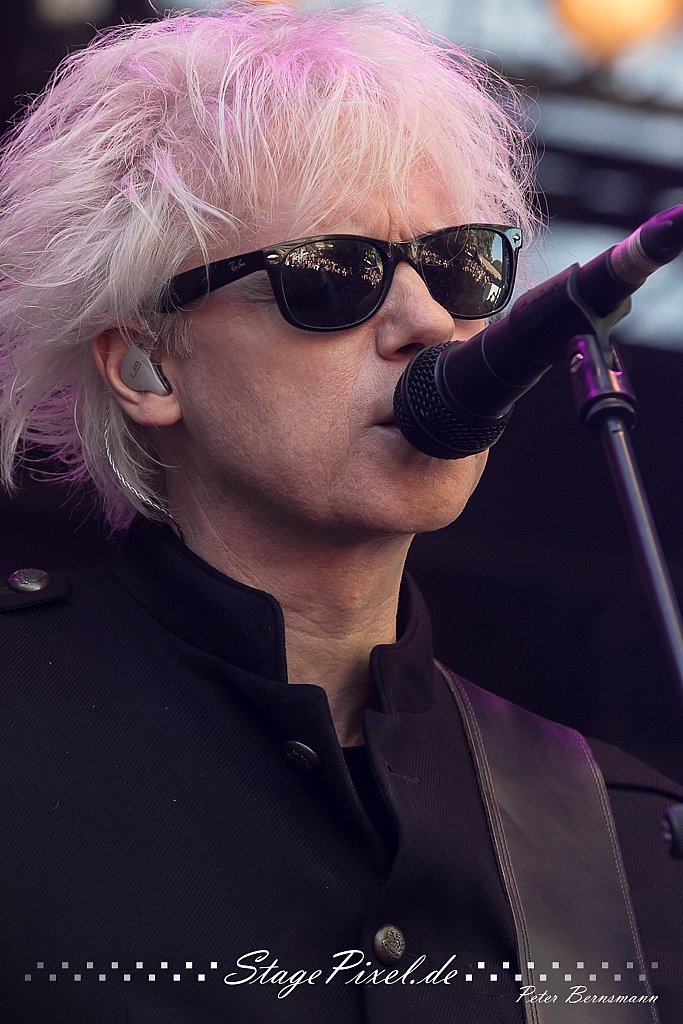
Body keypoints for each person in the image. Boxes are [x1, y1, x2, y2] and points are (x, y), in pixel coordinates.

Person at [0, 3, 681, 1022]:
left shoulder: (627, 838)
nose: (426, 321)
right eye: (331, 275)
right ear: (146, 364)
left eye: (458, 265)